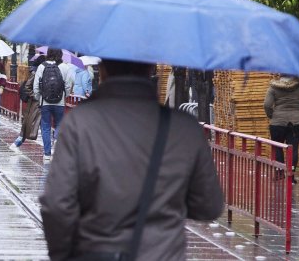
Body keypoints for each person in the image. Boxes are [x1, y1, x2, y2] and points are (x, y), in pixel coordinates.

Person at [39, 59, 224, 261]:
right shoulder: (183, 128)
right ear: (151, 68)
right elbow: (209, 206)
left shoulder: (80, 123)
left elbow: (57, 204)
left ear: (102, 68)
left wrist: (63, 254)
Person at [263, 75, 299, 183]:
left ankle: (279, 173)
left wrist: (272, 115)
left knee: (277, 147)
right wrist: (297, 107)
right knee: (293, 149)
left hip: (278, 123)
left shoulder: (273, 88)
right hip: (297, 122)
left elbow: (267, 105)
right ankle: (291, 175)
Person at [33, 48, 74, 158]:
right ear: (60, 54)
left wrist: (39, 97)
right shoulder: (65, 67)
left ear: (48, 54)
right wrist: (65, 96)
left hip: (45, 102)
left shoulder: (42, 66)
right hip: (59, 102)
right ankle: (56, 138)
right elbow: (69, 84)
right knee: (59, 123)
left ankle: (47, 154)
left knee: (45, 126)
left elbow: (36, 86)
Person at [11, 55, 46, 149]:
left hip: (37, 103)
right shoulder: (36, 72)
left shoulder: (37, 71)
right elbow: (27, 86)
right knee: (35, 124)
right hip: (37, 102)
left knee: (32, 124)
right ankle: (47, 150)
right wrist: (36, 96)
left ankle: (18, 142)